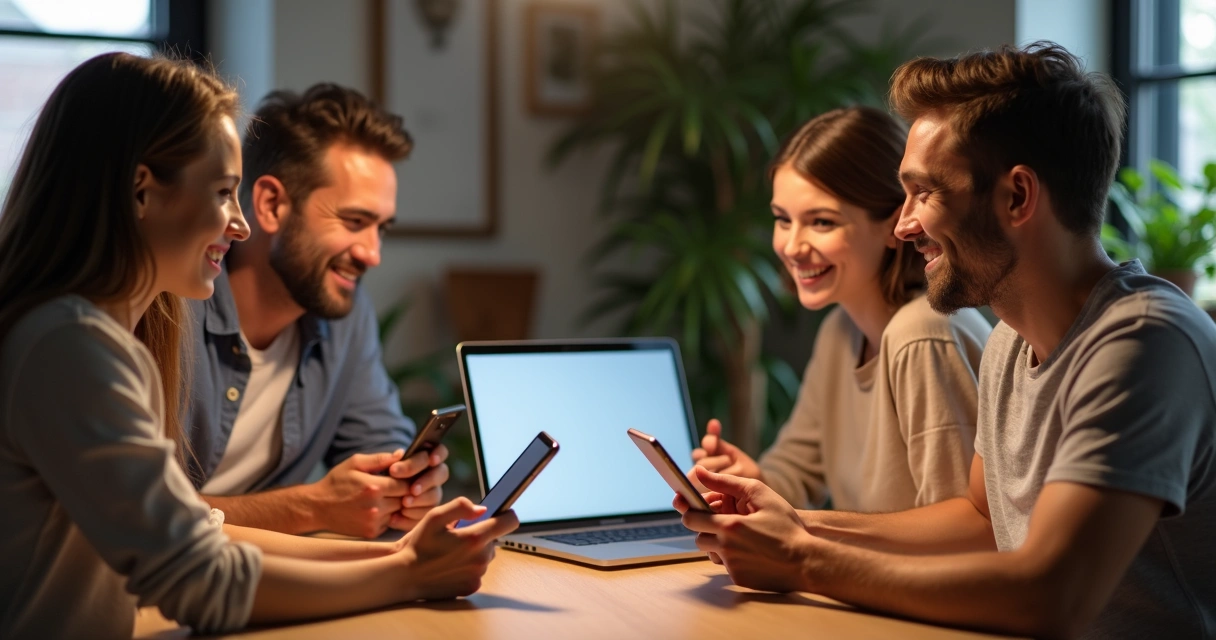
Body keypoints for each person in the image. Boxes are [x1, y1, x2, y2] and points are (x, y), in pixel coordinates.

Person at [675, 42, 1216, 639]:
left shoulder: (1144, 342)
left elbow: (1051, 595)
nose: (903, 225)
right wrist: (798, 524)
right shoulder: (1011, 339)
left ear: (1017, 197)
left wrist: (802, 559)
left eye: (925, 192)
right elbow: (978, 518)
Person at [0, 53, 515, 639]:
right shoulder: (70, 347)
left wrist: (399, 555)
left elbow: (202, 527)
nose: (238, 223)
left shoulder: (97, 338)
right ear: (141, 191)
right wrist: (408, 574)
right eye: (223, 192)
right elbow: (200, 580)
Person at [689, 106, 991, 513]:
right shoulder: (840, 330)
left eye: (822, 222)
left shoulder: (922, 335)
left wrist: (810, 541)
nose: (792, 247)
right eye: (782, 219)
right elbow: (796, 473)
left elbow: (965, 526)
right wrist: (749, 482)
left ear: (894, 224)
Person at [184, 83, 445, 538]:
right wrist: (310, 508)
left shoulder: (346, 315)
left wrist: (404, 488)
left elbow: (378, 442)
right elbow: (133, 510)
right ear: (271, 205)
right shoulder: (171, 308)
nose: (372, 254)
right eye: (354, 222)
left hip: (267, 571)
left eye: (381, 228)